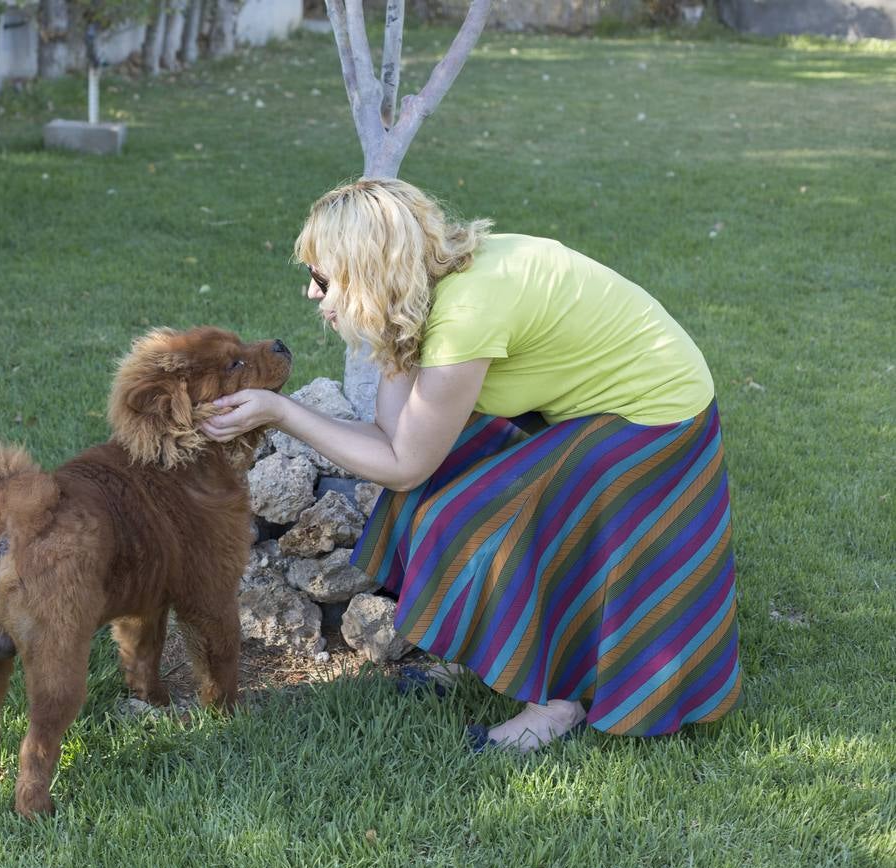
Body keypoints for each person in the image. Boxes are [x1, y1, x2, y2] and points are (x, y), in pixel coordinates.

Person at [202, 178, 741, 751]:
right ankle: (487, 653)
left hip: (652, 419)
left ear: (370, 274)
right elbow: (393, 437)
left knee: (473, 521)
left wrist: (281, 412)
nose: (313, 295)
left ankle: (555, 704)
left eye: (322, 278)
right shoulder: (423, 293)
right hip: (589, 406)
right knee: (441, 490)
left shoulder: (465, 316)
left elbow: (403, 464)